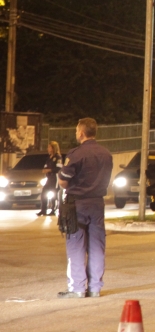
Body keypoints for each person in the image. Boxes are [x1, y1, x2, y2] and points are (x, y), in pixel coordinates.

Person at [56, 118, 113, 298]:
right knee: (97, 245)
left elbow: (64, 181)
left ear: (81, 133)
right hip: (97, 203)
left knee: (76, 245)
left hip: (77, 204)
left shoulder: (76, 154)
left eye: (76, 131)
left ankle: (77, 288)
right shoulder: (106, 154)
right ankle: (95, 288)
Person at [37, 141, 63, 216]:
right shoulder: (49, 158)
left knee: (54, 194)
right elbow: (46, 166)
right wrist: (45, 169)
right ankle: (43, 210)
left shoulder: (58, 157)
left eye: (49, 147)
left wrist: (49, 170)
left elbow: (59, 168)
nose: (48, 149)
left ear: (53, 148)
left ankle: (53, 210)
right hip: (49, 178)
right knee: (44, 193)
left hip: (55, 178)